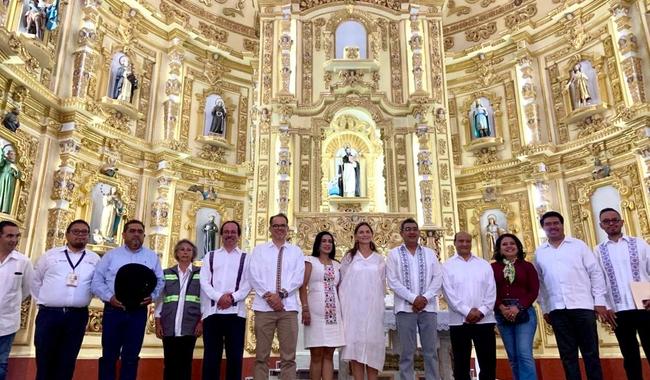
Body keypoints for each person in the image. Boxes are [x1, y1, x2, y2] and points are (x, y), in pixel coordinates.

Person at [534, 211, 608, 380]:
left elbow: (595, 273)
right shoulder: (540, 252)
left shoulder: (578, 245)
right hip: (557, 309)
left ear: (562, 224)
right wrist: (545, 308)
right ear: (543, 228)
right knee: (568, 356)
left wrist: (599, 301)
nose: (552, 227)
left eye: (556, 223)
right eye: (548, 224)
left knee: (591, 353)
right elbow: (540, 283)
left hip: (583, 306)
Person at [91, 220, 164, 380]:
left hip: (138, 312)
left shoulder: (151, 257)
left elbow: (160, 281)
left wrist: (153, 296)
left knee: (131, 357)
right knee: (109, 355)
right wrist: (109, 297)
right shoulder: (111, 255)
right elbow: (97, 280)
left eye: (139, 231)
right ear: (124, 235)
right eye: (132, 231)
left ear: (144, 235)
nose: (136, 234)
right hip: (113, 310)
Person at [31, 220, 99, 380]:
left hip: (77, 316)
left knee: (67, 361)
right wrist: (44, 301)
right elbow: (35, 281)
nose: (80, 235)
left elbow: (98, 283)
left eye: (84, 232)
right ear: (67, 234)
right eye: (76, 231)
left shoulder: (94, 259)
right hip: (49, 315)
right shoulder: (50, 255)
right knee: (44, 359)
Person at [595, 208, 650, 380]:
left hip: (645, 306)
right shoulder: (597, 251)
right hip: (618, 311)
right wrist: (604, 306)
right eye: (606, 221)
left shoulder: (639, 243)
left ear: (622, 222)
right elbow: (598, 280)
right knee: (630, 356)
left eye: (614, 219)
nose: (611, 223)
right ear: (601, 225)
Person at [248, 213, 305, 380]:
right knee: (261, 356)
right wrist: (269, 296)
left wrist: (281, 295)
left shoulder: (296, 252)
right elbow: (253, 275)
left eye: (283, 225)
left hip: (288, 309)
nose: (279, 228)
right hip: (264, 309)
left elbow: (299, 277)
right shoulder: (259, 251)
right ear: (270, 229)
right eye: (276, 225)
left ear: (287, 229)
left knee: (288, 357)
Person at [386, 218, 442, 380]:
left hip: (428, 308)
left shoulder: (430, 253)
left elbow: (437, 278)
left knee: (430, 351)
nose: (412, 232)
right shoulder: (394, 254)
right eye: (408, 229)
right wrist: (413, 298)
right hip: (405, 308)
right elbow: (393, 281)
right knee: (406, 352)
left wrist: (424, 298)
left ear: (418, 232)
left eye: (414, 229)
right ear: (402, 233)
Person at [442, 231, 496, 380]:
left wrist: (482, 311)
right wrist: (467, 311)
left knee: (488, 363)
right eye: (461, 241)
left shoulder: (483, 264)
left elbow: (491, 290)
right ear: (455, 243)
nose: (464, 244)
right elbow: (448, 293)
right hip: (459, 321)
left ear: (471, 243)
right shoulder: (447, 266)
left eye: (467, 241)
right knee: (461, 364)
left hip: (484, 320)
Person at [201, 221, 250, 380]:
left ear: (238, 235)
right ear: (221, 235)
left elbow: (248, 283)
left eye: (233, 232)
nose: (230, 234)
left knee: (235, 358)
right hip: (213, 313)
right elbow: (204, 281)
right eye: (226, 232)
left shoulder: (246, 258)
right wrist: (218, 297)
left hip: (236, 314)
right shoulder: (211, 256)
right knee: (211, 358)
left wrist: (232, 298)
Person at [339, 222, 386, 380]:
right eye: (361, 232)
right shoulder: (349, 258)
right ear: (356, 236)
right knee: (355, 348)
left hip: (373, 311)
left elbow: (382, 284)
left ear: (372, 235)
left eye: (367, 231)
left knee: (373, 346)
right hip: (354, 311)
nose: (364, 234)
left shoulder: (379, 259)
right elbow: (343, 284)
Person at [490, 233, 539, 380]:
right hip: (502, 313)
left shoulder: (527, 266)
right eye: (504, 244)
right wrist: (501, 307)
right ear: (499, 248)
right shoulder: (492, 268)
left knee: (524, 354)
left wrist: (518, 307)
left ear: (518, 246)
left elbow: (534, 290)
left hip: (524, 313)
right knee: (513, 356)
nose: (509, 246)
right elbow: (489, 290)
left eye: (512, 243)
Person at [299, 231, 345, 380]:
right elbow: (303, 286)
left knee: (329, 354)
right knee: (317, 354)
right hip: (315, 314)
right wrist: (305, 308)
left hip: (333, 314)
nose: (327, 244)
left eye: (330, 241)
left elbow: (339, 289)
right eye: (324, 241)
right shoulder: (310, 261)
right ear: (318, 244)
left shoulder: (338, 265)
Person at [155, 239, 202, 380]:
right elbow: (160, 299)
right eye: (182, 249)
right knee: (169, 364)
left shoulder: (201, 274)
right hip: (169, 325)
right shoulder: (166, 273)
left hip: (190, 325)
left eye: (189, 249)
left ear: (193, 253)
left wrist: (201, 322)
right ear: (176, 253)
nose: (185, 252)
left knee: (185, 364)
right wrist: (158, 322)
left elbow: (205, 300)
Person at [0, 220, 32, 380]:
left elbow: (27, 290)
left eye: (17, 236)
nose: (14, 240)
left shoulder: (23, 262)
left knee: (1, 363)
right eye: (9, 236)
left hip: (6, 323)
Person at [0, 147, 19, 214]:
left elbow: (19, 175)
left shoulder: (15, 165)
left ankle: (4, 209)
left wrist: (16, 170)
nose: (12, 156)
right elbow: (0, 162)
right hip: (2, 179)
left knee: (7, 195)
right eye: (10, 154)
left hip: (10, 182)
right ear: (7, 155)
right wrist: (1, 153)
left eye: (13, 154)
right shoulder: (4, 162)